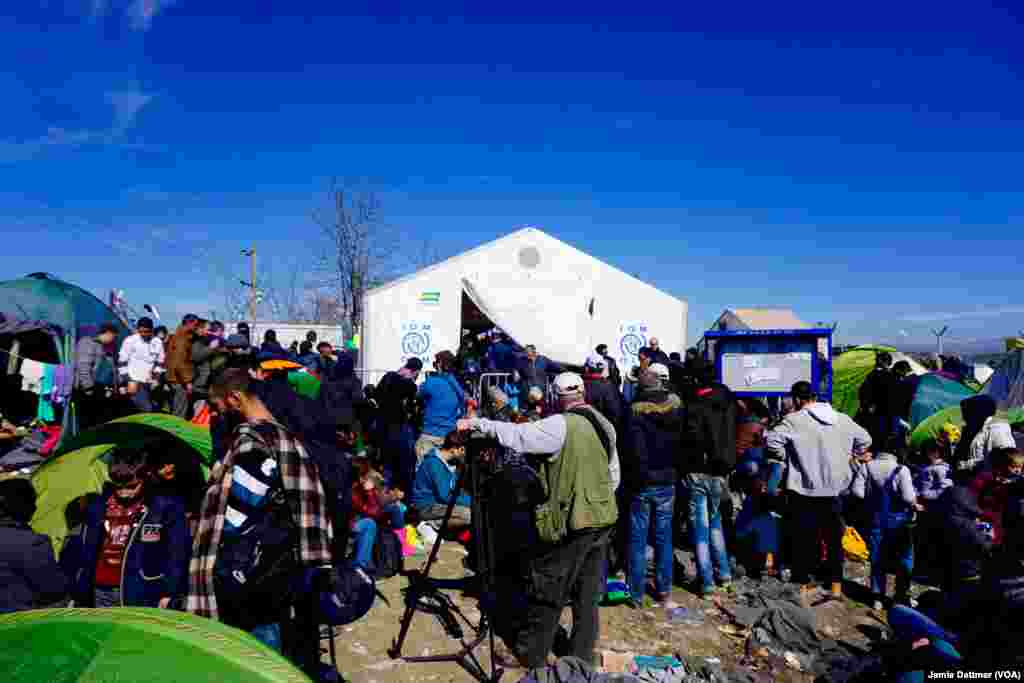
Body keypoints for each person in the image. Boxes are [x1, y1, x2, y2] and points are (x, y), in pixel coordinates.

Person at [457, 372, 618, 669]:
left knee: (549, 587)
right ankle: (581, 655)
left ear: (555, 397)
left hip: (576, 520)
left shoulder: (560, 424)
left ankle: (529, 652)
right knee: (587, 592)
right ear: (583, 393)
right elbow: (613, 473)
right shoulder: (603, 423)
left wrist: (479, 423)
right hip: (604, 516)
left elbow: (519, 436)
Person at [189, 369, 333, 656]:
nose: (218, 415)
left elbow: (238, 512)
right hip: (278, 567)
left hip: (247, 571)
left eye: (218, 407)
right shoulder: (285, 436)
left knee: (253, 647)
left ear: (235, 399)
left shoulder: (251, 442)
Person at [766, 381, 872, 602]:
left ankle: (803, 585)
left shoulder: (794, 420)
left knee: (804, 539)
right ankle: (835, 586)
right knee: (834, 540)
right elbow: (865, 439)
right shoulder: (842, 419)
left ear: (796, 399)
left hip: (804, 490)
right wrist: (851, 456)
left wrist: (786, 456)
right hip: (835, 490)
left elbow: (772, 441)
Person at [70, 459, 189, 608]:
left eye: (132, 486)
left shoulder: (164, 507)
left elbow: (177, 553)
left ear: (145, 478)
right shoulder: (98, 506)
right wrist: (79, 587)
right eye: (118, 487)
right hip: (100, 587)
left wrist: (169, 592)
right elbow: (85, 550)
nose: (125, 493)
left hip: (142, 589)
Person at [622, 369, 683, 606]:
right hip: (667, 478)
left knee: (637, 539)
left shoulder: (634, 411)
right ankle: (664, 590)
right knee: (663, 537)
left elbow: (633, 449)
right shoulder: (676, 408)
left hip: (642, 481)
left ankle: (636, 593)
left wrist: (636, 475)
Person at [680, 363, 738, 598]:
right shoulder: (728, 401)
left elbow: (690, 439)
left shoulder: (695, 404)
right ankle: (724, 574)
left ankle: (707, 581)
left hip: (698, 471)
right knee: (715, 523)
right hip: (721, 471)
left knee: (701, 529)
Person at [850, 437, 924, 610]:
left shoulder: (867, 467)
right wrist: (915, 501)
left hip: (875, 520)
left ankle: (877, 597)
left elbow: (857, 493)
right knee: (905, 558)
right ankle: (901, 595)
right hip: (899, 522)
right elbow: (907, 497)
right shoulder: (901, 469)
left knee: (877, 557)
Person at [0, 479, 66, 613]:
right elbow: (53, 589)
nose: (35, 507)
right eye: (32, 501)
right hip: (20, 623)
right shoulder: (32, 543)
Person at [375, 359, 423, 493]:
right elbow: (412, 408)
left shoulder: (388, 376)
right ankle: (403, 498)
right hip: (399, 428)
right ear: (417, 372)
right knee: (403, 466)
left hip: (382, 426)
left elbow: (376, 395)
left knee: (386, 464)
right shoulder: (410, 386)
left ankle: (384, 495)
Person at [410, 430, 473, 531]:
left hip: (438, 503)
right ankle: (429, 524)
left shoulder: (451, 463)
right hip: (425, 506)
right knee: (467, 515)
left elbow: (455, 490)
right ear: (454, 449)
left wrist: (470, 500)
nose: (464, 454)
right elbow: (445, 496)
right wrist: (472, 502)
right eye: (462, 450)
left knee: (469, 510)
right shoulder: (434, 463)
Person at [350, 462, 407, 571]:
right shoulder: (354, 490)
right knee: (370, 523)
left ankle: (401, 542)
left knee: (395, 509)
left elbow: (377, 502)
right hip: (353, 522)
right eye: (366, 475)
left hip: (366, 514)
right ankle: (361, 565)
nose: (369, 477)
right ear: (361, 477)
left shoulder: (366, 484)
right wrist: (371, 491)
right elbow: (375, 511)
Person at [415, 351, 465, 462]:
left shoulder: (432, 382)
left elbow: (417, 394)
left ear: (440, 364)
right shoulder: (457, 386)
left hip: (430, 435)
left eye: (435, 363)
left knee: (424, 472)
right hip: (449, 438)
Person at [968, 447, 1024, 546]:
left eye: (1020, 467)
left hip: (1010, 523)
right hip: (988, 520)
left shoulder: (1017, 483)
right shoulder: (986, 479)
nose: (1017, 471)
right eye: (1013, 467)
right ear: (1001, 465)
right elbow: (972, 496)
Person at [954, 395, 1016, 480]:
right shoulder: (974, 428)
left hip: (988, 485)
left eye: (966, 412)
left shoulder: (997, 429)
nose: (963, 418)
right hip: (973, 482)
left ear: (978, 412)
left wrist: (964, 465)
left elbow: (1005, 459)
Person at [74, 322, 118, 429]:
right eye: (114, 337)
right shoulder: (88, 343)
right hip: (87, 390)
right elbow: (83, 366)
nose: (114, 340)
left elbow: (110, 368)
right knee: (87, 420)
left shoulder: (104, 347)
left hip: (98, 388)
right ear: (108, 333)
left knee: (97, 420)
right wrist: (88, 387)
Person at [118, 316, 164, 413]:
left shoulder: (157, 342)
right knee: (146, 409)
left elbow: (160, 363)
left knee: (151, 407)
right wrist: (128, 380)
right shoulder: (129, 341)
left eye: (146, 331)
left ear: (151, 330)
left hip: (149, 381)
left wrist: (156, 378)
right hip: (134, 381)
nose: (143, 334)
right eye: (141, 331)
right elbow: (122, 363)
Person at [858, 351, 899, 450]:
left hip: (873, 414)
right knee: (884, 439)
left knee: (874, 439)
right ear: (888, 362)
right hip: (887, 414)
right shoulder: (892, 377)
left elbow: (863, 393)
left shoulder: (870, 376)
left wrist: (866, 407)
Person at [166, 314, 200, 418]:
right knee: (179, 411)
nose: (196, 327)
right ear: (189, 324)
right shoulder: (182, 339)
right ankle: (175, 431)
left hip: (177, 378)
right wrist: (188, 381)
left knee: (178, 408)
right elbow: (179, 362)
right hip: (179, 380)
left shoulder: (181, 335)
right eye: (195, 325)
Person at [191, 319, 228, 414]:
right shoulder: (201, 341)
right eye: (207, 330)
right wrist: (211, 348)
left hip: (207, 380)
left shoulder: (206, 340)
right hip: (202, 381)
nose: (208, 332)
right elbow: (196, 357)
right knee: (200, 409)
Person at [583, 354, 622, 429]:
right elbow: (614, 414)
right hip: (601, 430)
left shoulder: (578, 384)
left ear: (587, 368)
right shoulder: (610, 387)